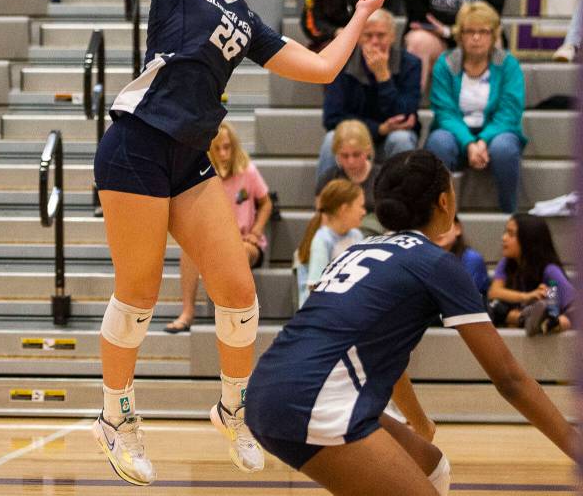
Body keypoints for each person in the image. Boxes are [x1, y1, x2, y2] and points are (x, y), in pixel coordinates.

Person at [72, 0, 385, 484]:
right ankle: (116, 415)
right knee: (139, 292)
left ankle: (231, 410)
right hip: (134, 145)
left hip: (187, 155)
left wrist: (358, 19)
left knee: (239, 290)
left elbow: (325, 68)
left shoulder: (243, 16)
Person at [246, 150, 580, 495]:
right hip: (314, 400)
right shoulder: (436, 263)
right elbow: (509, 379)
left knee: (431, 466)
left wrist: (419, 422)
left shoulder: (358, 250)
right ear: (443, 201)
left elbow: (378, 352)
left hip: (268, 386)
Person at [165, 121, 272, 333]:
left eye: (227, 147)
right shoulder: (203, 176)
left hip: (245, 242)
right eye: (218, 149)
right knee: (188, 252)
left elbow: (266, 202)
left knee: (239, 252)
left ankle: (236, 315)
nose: (223, 153)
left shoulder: (247, 171)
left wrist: (256, 230)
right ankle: (187, 312)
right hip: (215, 241)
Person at [424, 1, 526, 215]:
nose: (477, 37)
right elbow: (445, 112)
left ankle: (510, 214)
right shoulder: (446, 63)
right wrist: (470, 143)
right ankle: (439, 215)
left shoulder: (508, 65)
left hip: (497, 132)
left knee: (504, 148)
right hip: (455, 131)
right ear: (460, 35)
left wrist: (483, 140)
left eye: (483, 31)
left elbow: (509, 113)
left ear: (494, 35)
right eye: (470, 31)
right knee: (438, 142)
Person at [318, 8, 420, 184]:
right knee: (331, 140)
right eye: (368, 35)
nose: (374, 42)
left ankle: (403, 204)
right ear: (358, 37)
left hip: (392, 136)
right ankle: (326, 205)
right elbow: (332, 118)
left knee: (402, 138)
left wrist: (384, 77)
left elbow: (405, 116)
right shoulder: (342, 62)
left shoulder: (410, 64)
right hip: (358, 136)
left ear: (393, 37)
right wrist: (379, 128)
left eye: (381, 36)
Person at [487, 213, 575, 336]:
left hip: (548, 329)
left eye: (511, 234)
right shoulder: (506, 263)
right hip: (519, 319)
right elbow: (494, 292)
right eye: (505, 232)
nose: (504, 238)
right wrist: (527, 296)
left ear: (528, 240)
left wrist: (547, 298)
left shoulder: (549, 270)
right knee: (493, 307)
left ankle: (546, 322)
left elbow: (573, 307)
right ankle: (526, 318)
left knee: (556, 311)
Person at [294, 179, 365, 308]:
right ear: (344, 209)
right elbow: (315, 287)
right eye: (360, 206)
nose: (364, 212)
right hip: (320, 312)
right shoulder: (323, 239)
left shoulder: (357, 236)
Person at [315, 119, 381, 217]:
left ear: (368, 151)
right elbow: (321, 219)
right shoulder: (328, 179)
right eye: (344, 156)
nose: (351, 161)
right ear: (336, 154)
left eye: (356, 154)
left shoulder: (382, 177)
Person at [437, 214, 489, 301]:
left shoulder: (472, 259)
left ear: (457, 229)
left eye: (444, 224)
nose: (439, 230)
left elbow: (464, 295)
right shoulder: (425, 257)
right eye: (435, 226)